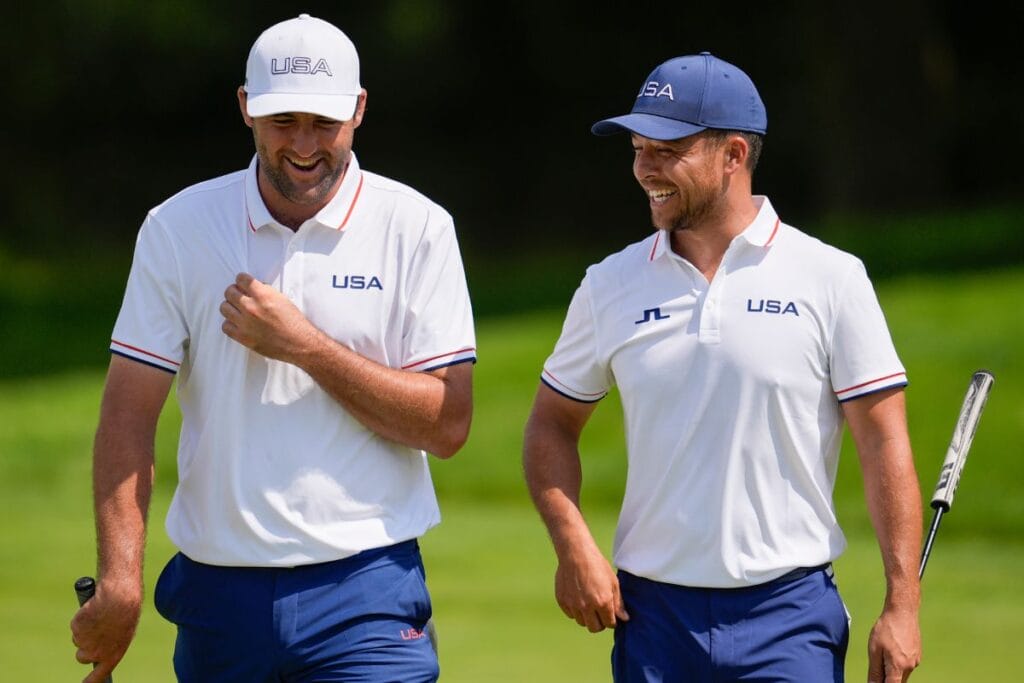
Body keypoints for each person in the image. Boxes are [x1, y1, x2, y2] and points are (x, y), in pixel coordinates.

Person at [70, 13, 475, 682]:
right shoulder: (177, 227)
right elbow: (127, 414)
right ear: (245, 109)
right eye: (284, 120)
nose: (306, 144)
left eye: (325, 122)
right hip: (219, 592)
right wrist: (120, 580)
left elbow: (449, 422)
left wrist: (306, 347)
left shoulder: (418, 227)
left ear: (359, 110)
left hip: (368, 589)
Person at [522, 52, 922, 682]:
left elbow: (883, 439)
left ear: (733, 154)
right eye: (637, 148)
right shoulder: (609, 284)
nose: (643, 169)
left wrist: (903, 603)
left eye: (666, 150)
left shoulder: (831, 277)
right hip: (653, 619)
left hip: (789, 615)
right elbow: (551, 424)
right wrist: (572, 542)